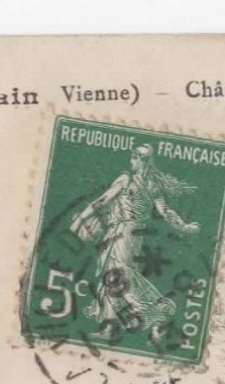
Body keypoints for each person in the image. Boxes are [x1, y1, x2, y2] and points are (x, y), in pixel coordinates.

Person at [70, 143, 201, 338]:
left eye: (134, 158)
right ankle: (108, 327)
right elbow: (165, 212)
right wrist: (184, 226)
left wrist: (80, 220)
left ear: (141, 160)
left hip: (122, 232)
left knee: (116, 275)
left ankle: (147, 309)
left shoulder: (125, 179)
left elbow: (101, 201)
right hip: (133, 235)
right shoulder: (153, 185)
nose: (131, 161)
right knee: (111, 276)